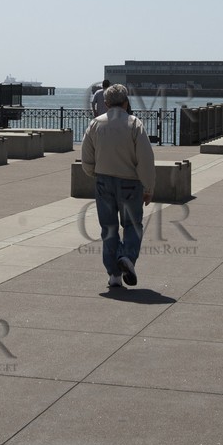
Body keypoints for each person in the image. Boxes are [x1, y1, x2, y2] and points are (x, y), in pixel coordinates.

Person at [80, 85, 156, 292]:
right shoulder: (134, 124)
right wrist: (148, 186)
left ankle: (114, 274)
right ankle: (127, 257)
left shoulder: (96, 124)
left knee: (109, 228)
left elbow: (86, 157)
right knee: (132, 225)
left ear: (106, 102)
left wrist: (94, 174)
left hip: (104, 181)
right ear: (126, 102)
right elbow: (146, 159)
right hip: (130, 183)